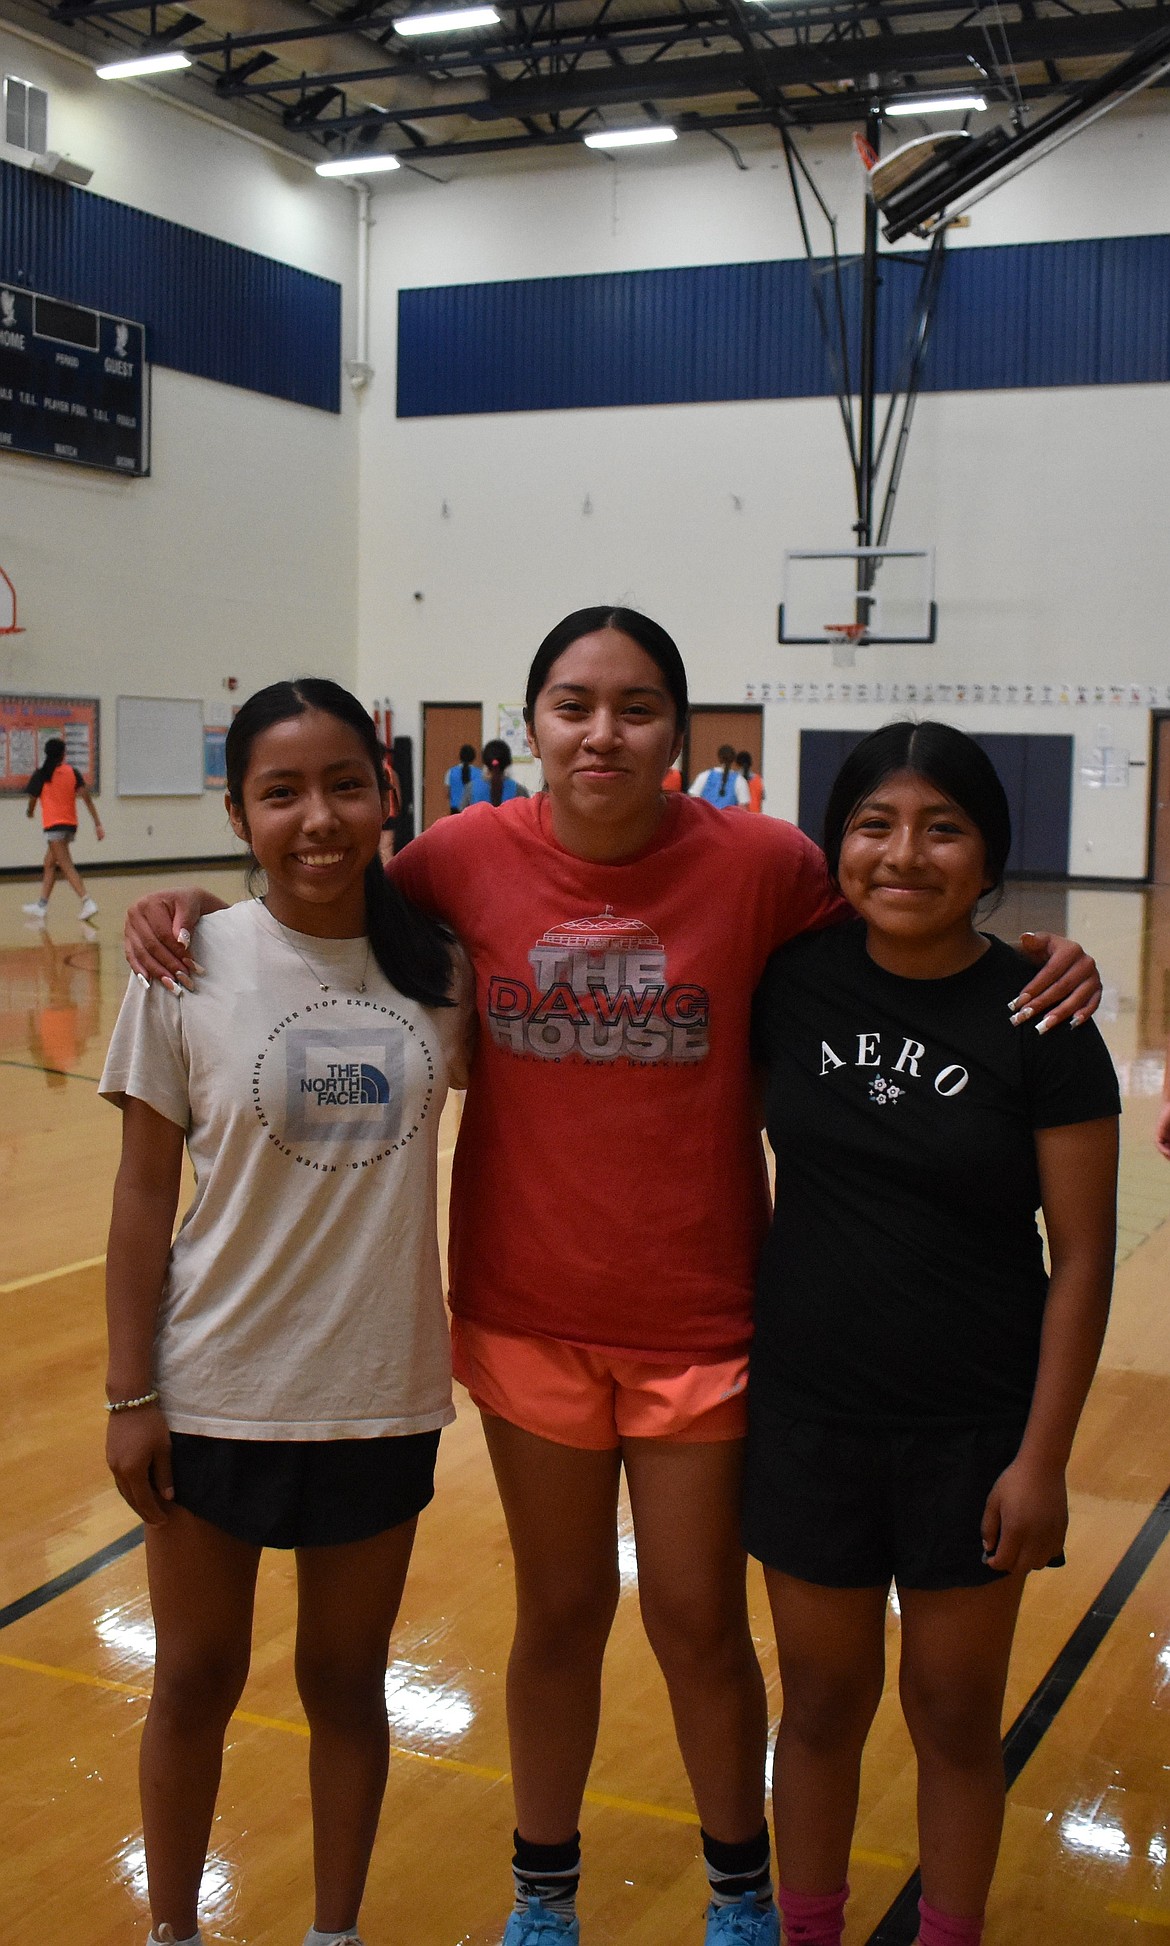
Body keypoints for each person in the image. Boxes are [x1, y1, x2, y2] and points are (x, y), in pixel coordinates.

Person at [123, 612, 1101, 1946]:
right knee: (561, 1610)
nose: (602, 730)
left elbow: (908, 912)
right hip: (528, 1308)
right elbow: (313, 880)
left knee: (698, 1623)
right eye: (573, 704)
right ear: (531, 724)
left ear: (682, 735)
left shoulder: (762, 862)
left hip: (707, 1315)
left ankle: (742, 1891)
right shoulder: (460, 857)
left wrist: (1038, 948)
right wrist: (178, 899)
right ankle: (544, 1891)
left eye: (636, 706)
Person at [102, 678, 469, 1946]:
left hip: (383, 1388)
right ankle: (174, 1933)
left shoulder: (439, 966)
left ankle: (334, 1931)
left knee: (347, 1684)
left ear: (386, 797)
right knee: (196, 1679)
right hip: (214, 1391)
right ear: (239, 810)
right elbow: (144, 1193)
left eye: (346, 786)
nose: (319, 817)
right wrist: (127, 1392)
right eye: (282, 791)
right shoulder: (184, 963)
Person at [744, 721, 1120, 1946]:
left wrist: (1043, 1456)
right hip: (807, 1418)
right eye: (874, 824)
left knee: (956, 1715)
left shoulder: (1043, 1015)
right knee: (820, 1704)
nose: (905, 853)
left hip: (974, 1431)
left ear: (991, 852)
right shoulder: (789, 980)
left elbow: (1084, 1258)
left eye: (942, 826)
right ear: (836, 843)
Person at [23, 737, 104, 923]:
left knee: (65, 865)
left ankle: (87, 901)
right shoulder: (73, 773)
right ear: (63, 754)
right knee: (49, 863)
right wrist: (97, 823)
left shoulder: (41, 774)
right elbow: (87, 799)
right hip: (70, 826)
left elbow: (32, 799)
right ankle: (41, 905)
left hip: (53, 827)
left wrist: (30, 812)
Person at [464, 737, 531, 808]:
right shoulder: (519, 791)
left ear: (485, 762)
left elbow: (462, 816)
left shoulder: (471, 788)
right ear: (508, 762)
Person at [689, 745, 749, 809]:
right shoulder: (740, 780)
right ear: (733, 759)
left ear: (719, 758)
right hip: (728, 818)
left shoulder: (704, 776)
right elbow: (743, 808)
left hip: (707, 817)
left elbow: (693, 799)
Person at [447, 743, 481, 814]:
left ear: (460, 756)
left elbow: (448, 793)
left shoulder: (451, 772)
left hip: (455, 811)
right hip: (473, 810)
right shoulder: (480, 773)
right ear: (473, 757)